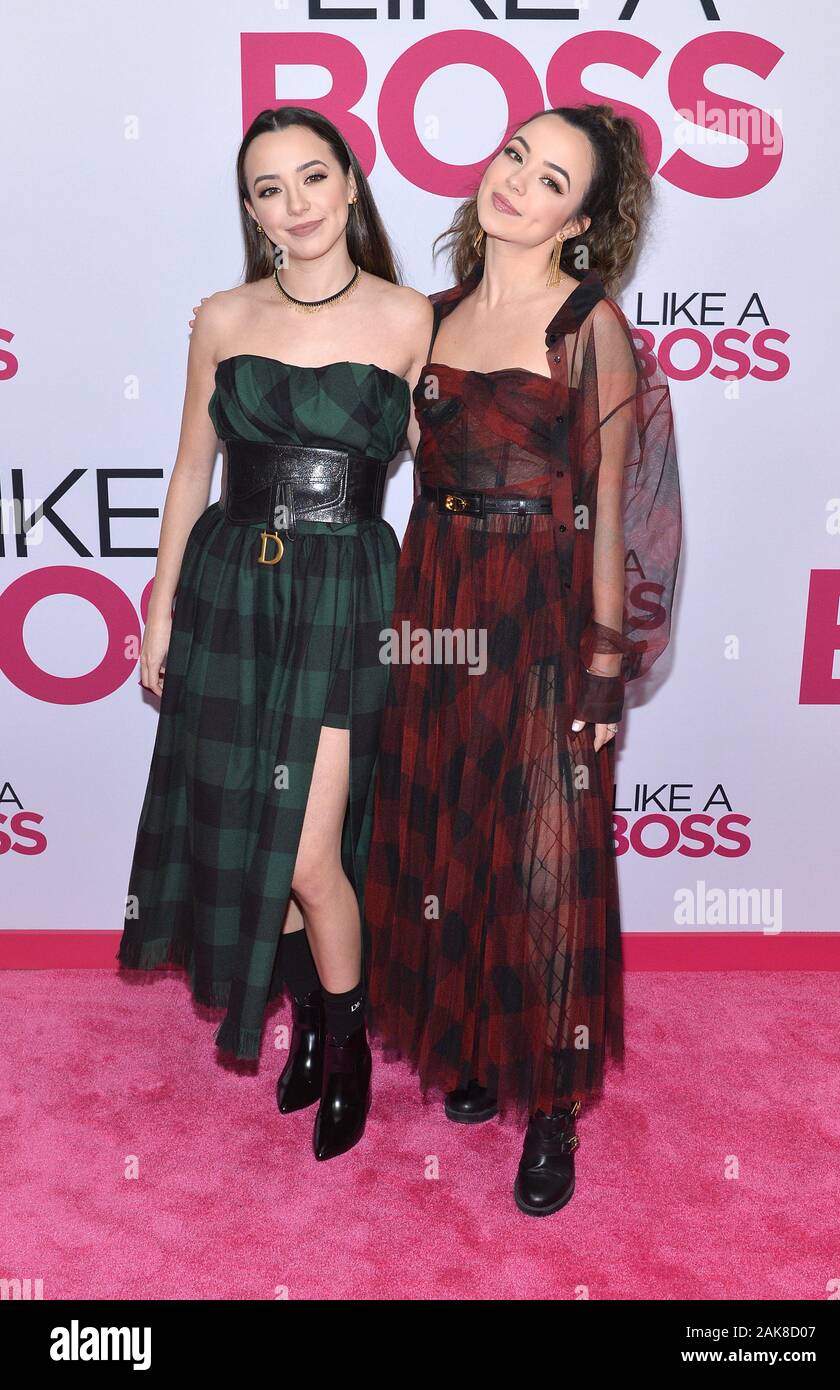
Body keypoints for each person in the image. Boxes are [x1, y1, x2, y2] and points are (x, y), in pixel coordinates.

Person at [363, 104, 682, 1213]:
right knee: (449, 829)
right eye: (514, 156)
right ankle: (471, 1046)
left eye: (551, 179)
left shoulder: (587, 326)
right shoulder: (429, 317)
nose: (517, 183)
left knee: (546, 848)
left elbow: (611, 511)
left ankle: (548, 1104)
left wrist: (605, 665)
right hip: (437, 592)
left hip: (541, 603)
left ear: (582, 218)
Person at [117, 105, 431, 1162]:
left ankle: (344, 1044)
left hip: (346, 596)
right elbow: (187, 470)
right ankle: (304, 1025)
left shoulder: (409, 317)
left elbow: (448, 482)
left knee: (305, 851)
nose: (293, 205)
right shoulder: (222, 316)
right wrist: (158, 608)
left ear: (349, 184)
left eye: (310, 179)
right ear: (250, 210)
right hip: (231, 591)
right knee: (256, 837)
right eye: (267, 189)